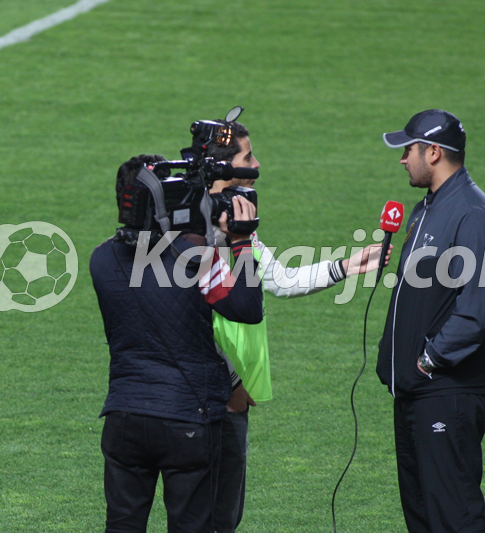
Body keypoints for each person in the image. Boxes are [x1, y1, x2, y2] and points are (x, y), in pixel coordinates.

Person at [205, 118, 390, 532]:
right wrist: (230, 382)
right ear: (222, 168)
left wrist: (347, 266)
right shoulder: (194, 233)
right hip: (212, 395)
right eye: (249, 156)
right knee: (208, 517)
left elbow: (281, 280)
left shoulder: (236, 224)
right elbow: (188, 316)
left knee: (223, 517)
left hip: (229, 397)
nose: (258, 164)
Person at [90, 154, 264, 533]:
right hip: (189, 420)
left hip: (124, 418)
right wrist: (240, 241)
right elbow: (247, 308)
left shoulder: (100, 259)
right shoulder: (197, 261)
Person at [376, 109, 485, 533]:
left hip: (446, 391)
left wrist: (428, 360)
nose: (402, 158)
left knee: (454, 517)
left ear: (433, 152)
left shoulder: (473, 215)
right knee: (423, 518)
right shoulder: (426, 208)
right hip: (415, 393)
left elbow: (474, 311)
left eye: (408, 149)